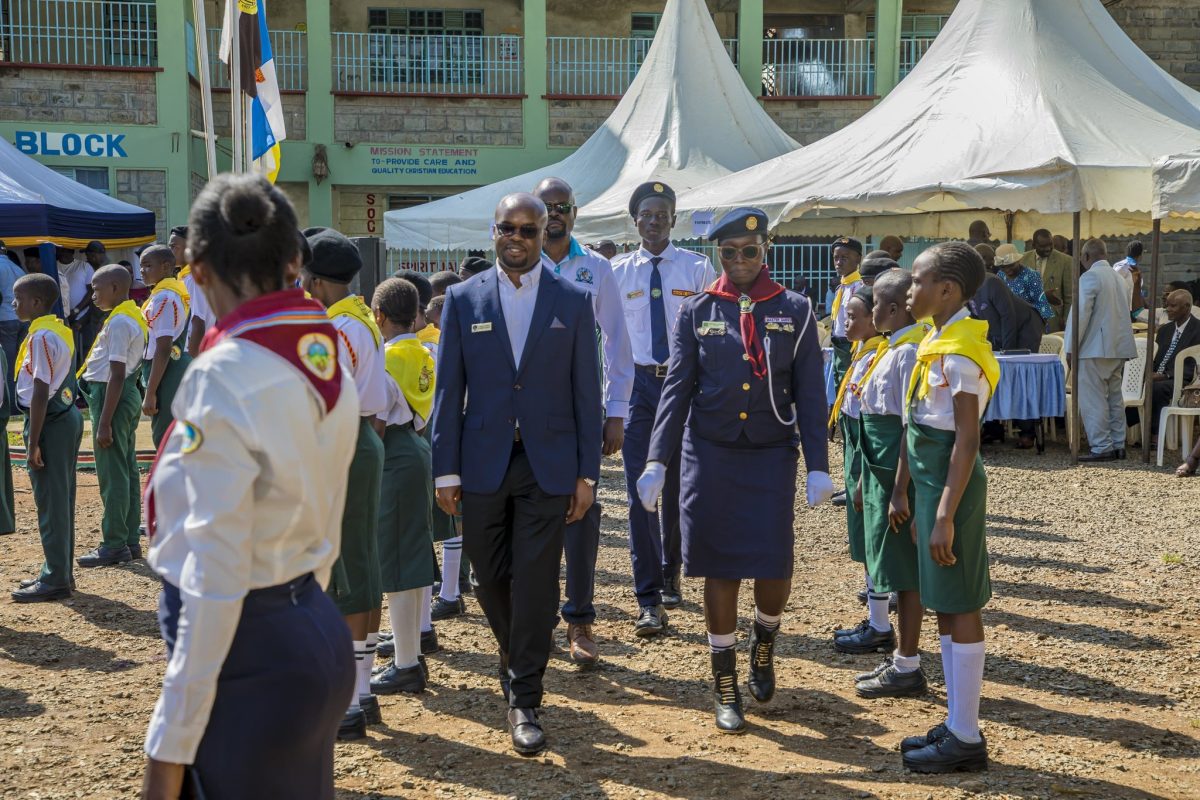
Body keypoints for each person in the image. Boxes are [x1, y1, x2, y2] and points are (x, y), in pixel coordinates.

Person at [140, 173, 359, 799]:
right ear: (295, 260)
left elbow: (214, 577)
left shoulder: (224, 375)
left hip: (248, 651)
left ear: (196, 267)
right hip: (312, 623)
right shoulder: (323, 350)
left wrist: (167, 749)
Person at [636, 208, 831, 733]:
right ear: (717, 255)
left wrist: (818, 464)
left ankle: (763, 643)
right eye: (729, 252)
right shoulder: (699, 310)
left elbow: (812, 393)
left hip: (770, 451)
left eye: (749, 250)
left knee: (773, 567)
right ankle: (724, 682)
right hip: (711, 452)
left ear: (765, 249)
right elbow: (677, 389)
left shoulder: (795, 308)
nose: (739, 260)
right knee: (718, 566)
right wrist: (657, 458)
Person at [431, 192, 602, 756]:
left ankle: (524, 693)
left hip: (546, 464)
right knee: (487, 576)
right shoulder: (461, 299)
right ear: (494, 230)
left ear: (544, 231)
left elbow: (586, 394)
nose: (518, 238)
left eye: (529, 230)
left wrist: (587, 475)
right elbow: (449, 391)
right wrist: (444, 469)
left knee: (535, 579)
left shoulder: (574, 300)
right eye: (508, 228)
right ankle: (514, 650)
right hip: (481, 460)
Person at [890, 241, 999, 773]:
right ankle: (957, 719)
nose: (909, 290)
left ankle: (966, 736)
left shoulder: (959, 351)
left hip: (951, 486)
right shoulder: (937, 339)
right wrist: (909, 491)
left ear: (947, 290)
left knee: (959, 603)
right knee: (942, 599)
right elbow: (918, 426)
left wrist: (943, 515)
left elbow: (967, 440)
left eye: (917, 280)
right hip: (933, 481)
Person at [534, 176, 634, 666]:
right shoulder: (516, 263)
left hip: (580, 414)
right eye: (546, 206)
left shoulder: (595, 268)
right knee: (532, 516)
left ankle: (579, 619)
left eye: (562, 207)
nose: (554, 214)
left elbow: (618, 342)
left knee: (581, 514)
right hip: (526, 415)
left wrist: (616, 413)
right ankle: (537, 621)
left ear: (574, 214)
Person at [611, 181, 715, 634]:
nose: (653, 221)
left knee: (676, 487)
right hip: (636, 390)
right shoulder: (617, 272)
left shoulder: (696, 268)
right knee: (641, 492)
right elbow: (607, 340)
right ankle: (648, 596)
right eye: (645, 214)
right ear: (635, 221)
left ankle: (672, 568)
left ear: (674, 220)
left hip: (682, 388)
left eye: (662, 214)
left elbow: (714, 329)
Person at [300, 227, 389, 741]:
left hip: (339, 443)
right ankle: (362, 690)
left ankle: (351, 699)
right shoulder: (360, 319)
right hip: (360, 438)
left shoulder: (333, 328)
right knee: (361, 562)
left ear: (313, 281)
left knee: (347, 569)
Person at [853, 270, 929, 698]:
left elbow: (907, 426)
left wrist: (899, 490)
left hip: (895, 471)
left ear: (895, 309)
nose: (872, 309)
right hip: (880, 467)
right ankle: (902, 654)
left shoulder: (907, 353)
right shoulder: (892, 348)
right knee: (890, 563)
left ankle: (908, 661)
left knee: (904, 572)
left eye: (877, 304)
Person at [369, 277, 438, 700]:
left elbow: (376, 417)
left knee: (393, 558)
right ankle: (408, 648)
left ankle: (407, 664)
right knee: (411, 551)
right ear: (415, 314)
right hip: (417, 446)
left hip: (391, 452)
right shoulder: (424, 350)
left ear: (378, 316)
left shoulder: (386, 354)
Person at [10, 274, 83, 602]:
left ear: (36, 302)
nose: (14, 305)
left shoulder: (40, 337)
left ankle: (55, 578)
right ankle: (60, 571)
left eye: (18, 299)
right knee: (61, 498)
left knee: (51, 503)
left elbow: (39, 391)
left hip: (48, 421)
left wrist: (33, 442)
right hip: (64, 415)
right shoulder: (57, 329)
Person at [828, 290, 889, 655]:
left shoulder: (879, 357)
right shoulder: (863, 352)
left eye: (855, 316)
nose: (847, 323)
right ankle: (876, 616)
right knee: (866, 538)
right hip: (855, 450)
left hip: (868, 456)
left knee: (875, 539)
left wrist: (863, 473)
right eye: (846, 316)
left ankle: (881, 624)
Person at [75, 265, 146, 568]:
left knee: (112, 473)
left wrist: (103, 422)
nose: (92, 295)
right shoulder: (133, 315)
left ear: (115, 287)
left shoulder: (118, 322)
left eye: (96, 288)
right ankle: (129, 539)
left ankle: (114, 543)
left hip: (111, 397)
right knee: (126, 468)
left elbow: (116, 374)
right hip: (124, 394)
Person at [1066, 239, 1138, 462]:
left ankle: (1101, 446)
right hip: (1117, 346)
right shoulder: (1120, 277)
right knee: (1114, 398)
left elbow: (1080, 314)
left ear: (1086, 256)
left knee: (1093, 398)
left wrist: (1070, 348)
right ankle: (1118, 444)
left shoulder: (1089, 277)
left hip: (1094, 348)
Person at [139, 245, 191, 447]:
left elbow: (163, 347)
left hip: (167, 369)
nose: (142, 271)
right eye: (141, 266)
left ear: (166, 266)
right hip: (167, 367)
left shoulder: (164, 297)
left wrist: (150, 393)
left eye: (148, 266)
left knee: (165, 436)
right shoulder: (166, 292)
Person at [1144, 290, 1200, 441]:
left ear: (1187, 307)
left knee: (1157, 388)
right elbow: (1155, 357)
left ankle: (1155, 434)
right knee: (1128, 382)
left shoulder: (1198, 329)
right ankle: (1130, 429)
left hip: (1183, 379)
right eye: (1167, 305)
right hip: (1158, 375)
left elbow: (1192, 366)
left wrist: (1165, 375)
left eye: (1173, 306)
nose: (1167, 309)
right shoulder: (1165, 330)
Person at [827, 237, 864, 388]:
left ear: (858, 259)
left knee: (847, 384)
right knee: (838, 381)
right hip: (837, 343)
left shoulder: (859, 287)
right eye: (836, 258)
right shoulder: (841, 287)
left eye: (844, 258)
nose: (838, 262)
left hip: (850, 345)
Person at [170, 226, 213, 358]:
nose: (170, 252)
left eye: (174, 247)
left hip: (191, 350)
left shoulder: (194, 278)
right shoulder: (184, 277)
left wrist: (193, 359)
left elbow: (198, 321)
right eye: (169, 247)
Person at [1020, 229, 1074, 333]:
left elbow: (1070, 296)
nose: (1048, 249)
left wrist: (1067, 321)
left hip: (1054, 322)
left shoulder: (1066, 261)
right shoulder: (1022, 260)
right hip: (1028, 320)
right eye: (1043, 246)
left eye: (1050, 245)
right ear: (1034, 245)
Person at [995, 243, 1054, 322]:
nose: (1007, 269)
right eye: (1003, 267)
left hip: (1029, 323)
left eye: (1011, 265)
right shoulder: (1000, 275)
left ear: (1018, 260)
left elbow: (1041, 305)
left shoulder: (1031, 276)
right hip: (1008, 322)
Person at [59, 246, 96, 368]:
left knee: (85, 349)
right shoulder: (52, 266)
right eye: (62, 250)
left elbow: (92, 292)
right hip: (60, 317)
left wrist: (76, 310)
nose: (64, 253)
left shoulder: (84, 266)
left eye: (67, 250)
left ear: (72, 251)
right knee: (66, 351)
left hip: (81, 316)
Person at [0, 246, 26, 415]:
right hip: (22, 319)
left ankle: (10, 408)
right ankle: (20, 403)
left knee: (7, 365)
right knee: (21, 364)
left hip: (5, 319)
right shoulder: (17, 267)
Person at [1112, 241, 1141, 312]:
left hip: (1131, 308)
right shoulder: (1123, 267)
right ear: (1140, 255)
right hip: (1122, 309)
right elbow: (1112, 285)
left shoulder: (1133, 267)